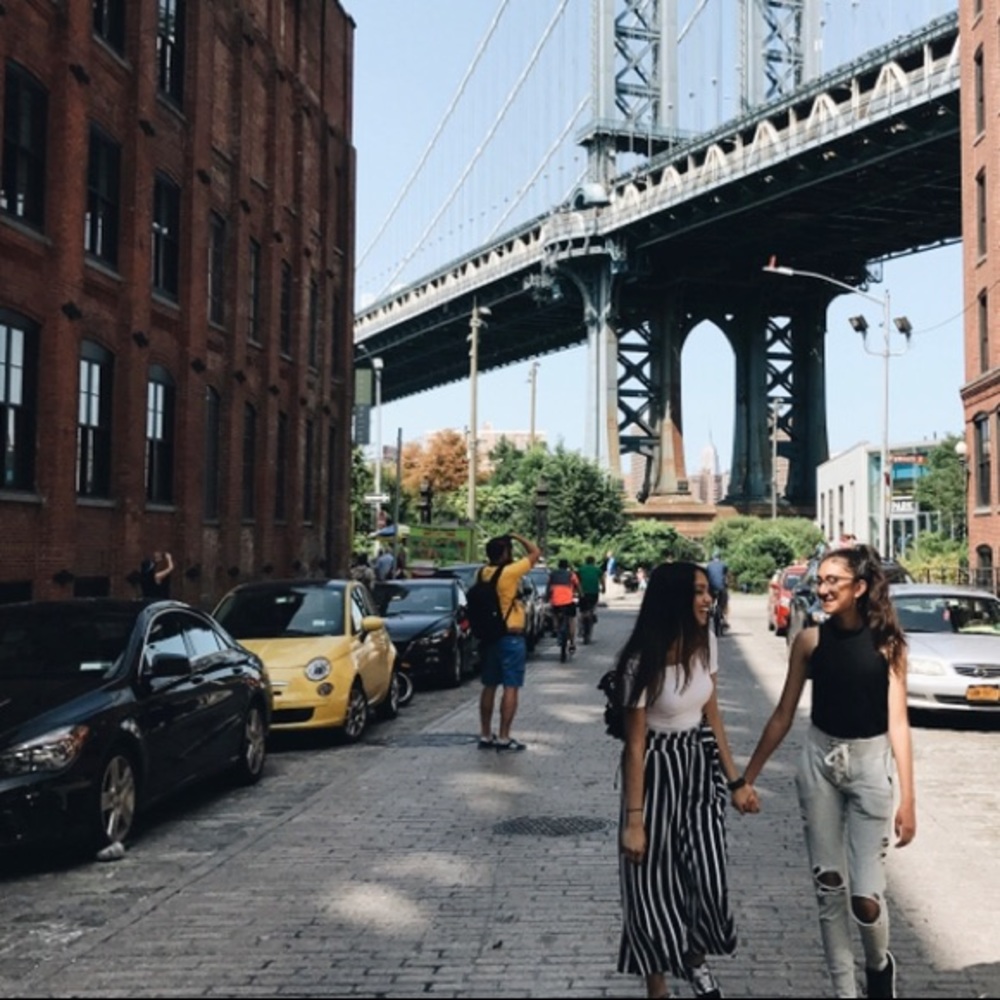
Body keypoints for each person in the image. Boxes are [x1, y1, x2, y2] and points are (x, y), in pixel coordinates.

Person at [741, 544, 916, 999]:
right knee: (828, 885)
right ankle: (844, 991)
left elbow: (898, 722)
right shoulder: (809, 642)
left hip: (870, 765)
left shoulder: (889, 645)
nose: (822, 589)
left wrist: (909, 800)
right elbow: (782, 713)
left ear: (859, 587)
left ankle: (879, 967)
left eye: (832, 581)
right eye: (820, 581)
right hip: (819, 760)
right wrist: (748, 776)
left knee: (866, 895)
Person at [615, 561, 757, 999]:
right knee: (651, 883)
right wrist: (634, 821)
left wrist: (736, 782)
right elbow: (634, 747)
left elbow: (713, 714)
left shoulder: (705, 642)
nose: (707, 598)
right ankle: (657, 982)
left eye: (707, 590)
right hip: (655, 769)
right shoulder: (640, 662)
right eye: (697, 591)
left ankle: (694, 957)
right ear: (674, 598)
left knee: (709, 874)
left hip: (698, 762)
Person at [477, 532, 541, 752]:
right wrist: (517, 536)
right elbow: (535, 552)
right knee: (511, 687)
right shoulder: (510, 572)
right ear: (505, 553)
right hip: (510, 637)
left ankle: (485, 734)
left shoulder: (482, 573)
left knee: (489, 686)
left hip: (489, 637)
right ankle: (504, 736)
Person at [548, 557, 581, 653]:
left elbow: (548, 587)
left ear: (558, 566)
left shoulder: (552, 574)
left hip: (556, 602)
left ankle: (556, 630)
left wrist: (547, 597)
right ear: (567, 566)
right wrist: (581, 595)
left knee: (554, 614)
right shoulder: (571, 574)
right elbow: (578, 586)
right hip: (568, 602)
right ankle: (572, 643)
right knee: (572, 619)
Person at [576, 554, 603, 640]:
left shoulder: (581, 569)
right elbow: (602, 580)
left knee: (582, 611)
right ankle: (593, 614)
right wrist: (604, 588)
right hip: (594, 593)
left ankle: (580, 628)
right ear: (594, 562)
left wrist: (576, 590)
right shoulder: (597, 570)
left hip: (583, 593)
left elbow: (577, 581)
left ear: (586, 561)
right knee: (593, 607)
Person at [705, 551, 729, 625]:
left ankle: (710, 608)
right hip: (721, 587)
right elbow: (726, 575)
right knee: (724, 600)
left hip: (711, 587)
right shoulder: (723, 565)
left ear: (712, 557)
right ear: (720, 557)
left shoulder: (708, 565)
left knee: (709, 598)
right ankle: (724, 617)